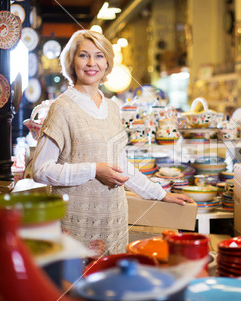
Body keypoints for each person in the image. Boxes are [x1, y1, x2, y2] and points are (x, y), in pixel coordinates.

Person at [32, 30, 193, 255]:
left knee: (112, 283)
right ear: (72, 60)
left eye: (99, 56)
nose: (91, 63)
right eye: (83, 55)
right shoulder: (62, 107)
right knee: (75, 286)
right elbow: (40, 170)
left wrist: (161, 194)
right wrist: (94, 170)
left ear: (107, 63)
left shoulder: (112, 108)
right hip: (75, 221)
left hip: (113, 221)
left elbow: (121, 165)